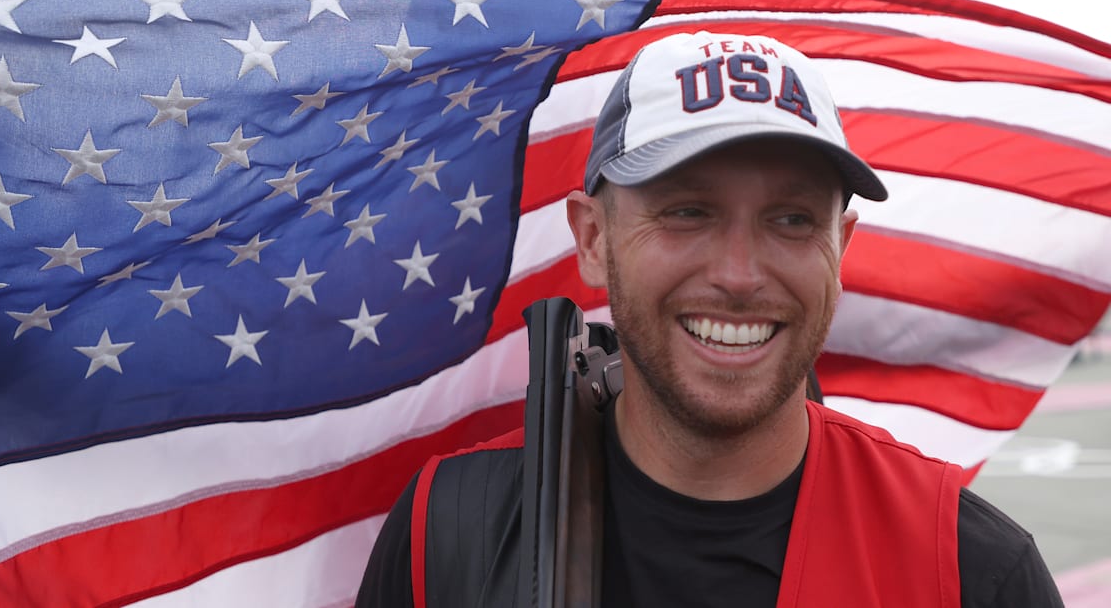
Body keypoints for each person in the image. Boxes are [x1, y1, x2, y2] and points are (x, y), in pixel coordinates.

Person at [356, 32, 1063, 607]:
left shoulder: (968, 572)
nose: (739, 274)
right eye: (687, 211)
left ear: (839, 250)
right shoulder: (445, 534)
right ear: (594, 240)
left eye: (791, 220)